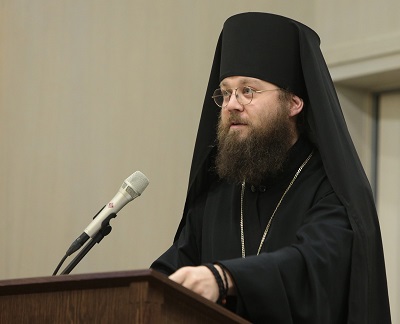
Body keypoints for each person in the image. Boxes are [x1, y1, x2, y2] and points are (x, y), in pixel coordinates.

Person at [151, 12, 391, 323]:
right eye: (225, 92)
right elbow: (170, 273)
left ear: (294, 102)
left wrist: (225, 278)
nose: (232, 104)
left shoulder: (331, 189)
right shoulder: (218, 190)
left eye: (248, 90)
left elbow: (310, 265)